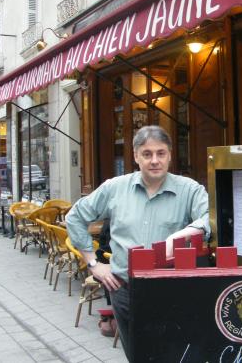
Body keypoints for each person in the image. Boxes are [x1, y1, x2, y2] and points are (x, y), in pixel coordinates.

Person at [65, 125, 210, 361]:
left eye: (161, 153)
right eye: (147, 154)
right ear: (135, 156)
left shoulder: (189, 190)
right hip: (125, 290)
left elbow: (209, 218)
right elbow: (75, 217)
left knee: (175, 354)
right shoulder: (115, 188)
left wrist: (184, 232)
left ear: (170, 154)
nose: (155, 160)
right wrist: (93, 263)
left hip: (173, 291)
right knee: (137, 355)